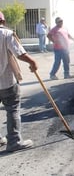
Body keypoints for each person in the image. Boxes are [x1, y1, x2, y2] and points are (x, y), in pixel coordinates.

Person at [0, 10, 37, 152]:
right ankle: (14, 142)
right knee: (12, 109)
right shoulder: (6, 34)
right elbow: (19, 53)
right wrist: (32, 62)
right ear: (3, 21)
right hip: (7, 81)